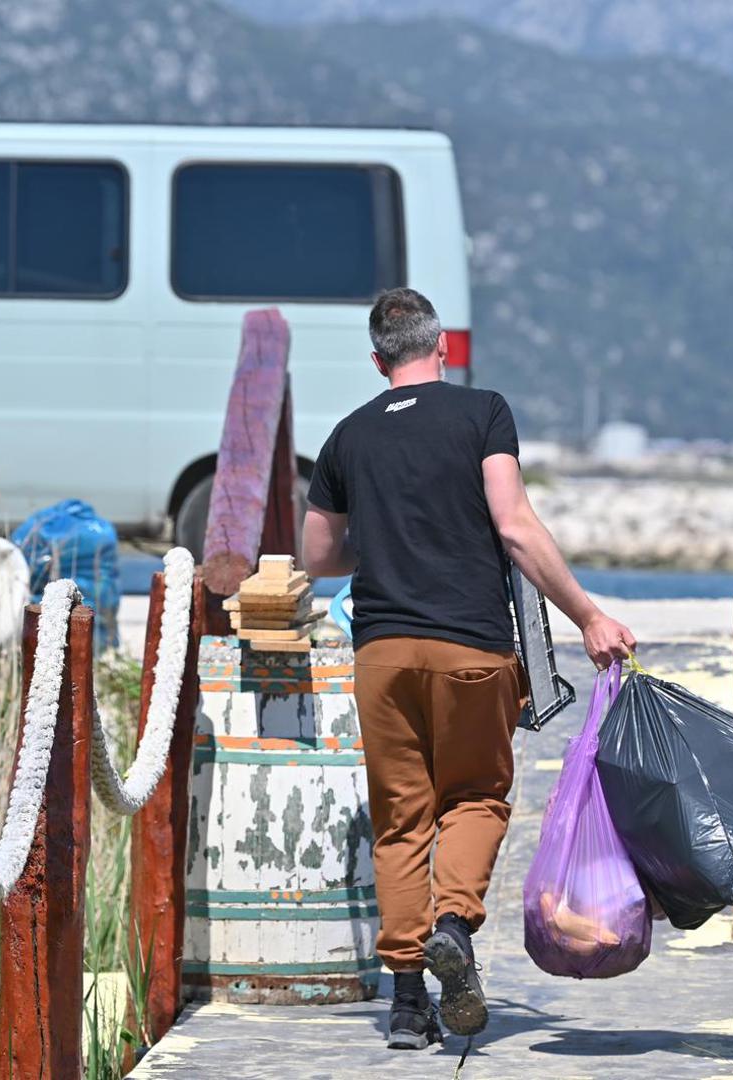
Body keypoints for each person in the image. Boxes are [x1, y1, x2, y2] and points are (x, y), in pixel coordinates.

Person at [302, 287, 638, 1050]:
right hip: (470, 652)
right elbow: (513, 526)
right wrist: (587, 616)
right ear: (440, 348)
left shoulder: (347, 436)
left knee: (400, 822)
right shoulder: (481, 411)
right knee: (477, 800)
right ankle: (452, 922)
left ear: (376, 359)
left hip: (381, 656)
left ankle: (406, 1004)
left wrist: (379, 544)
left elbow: (319, 554)